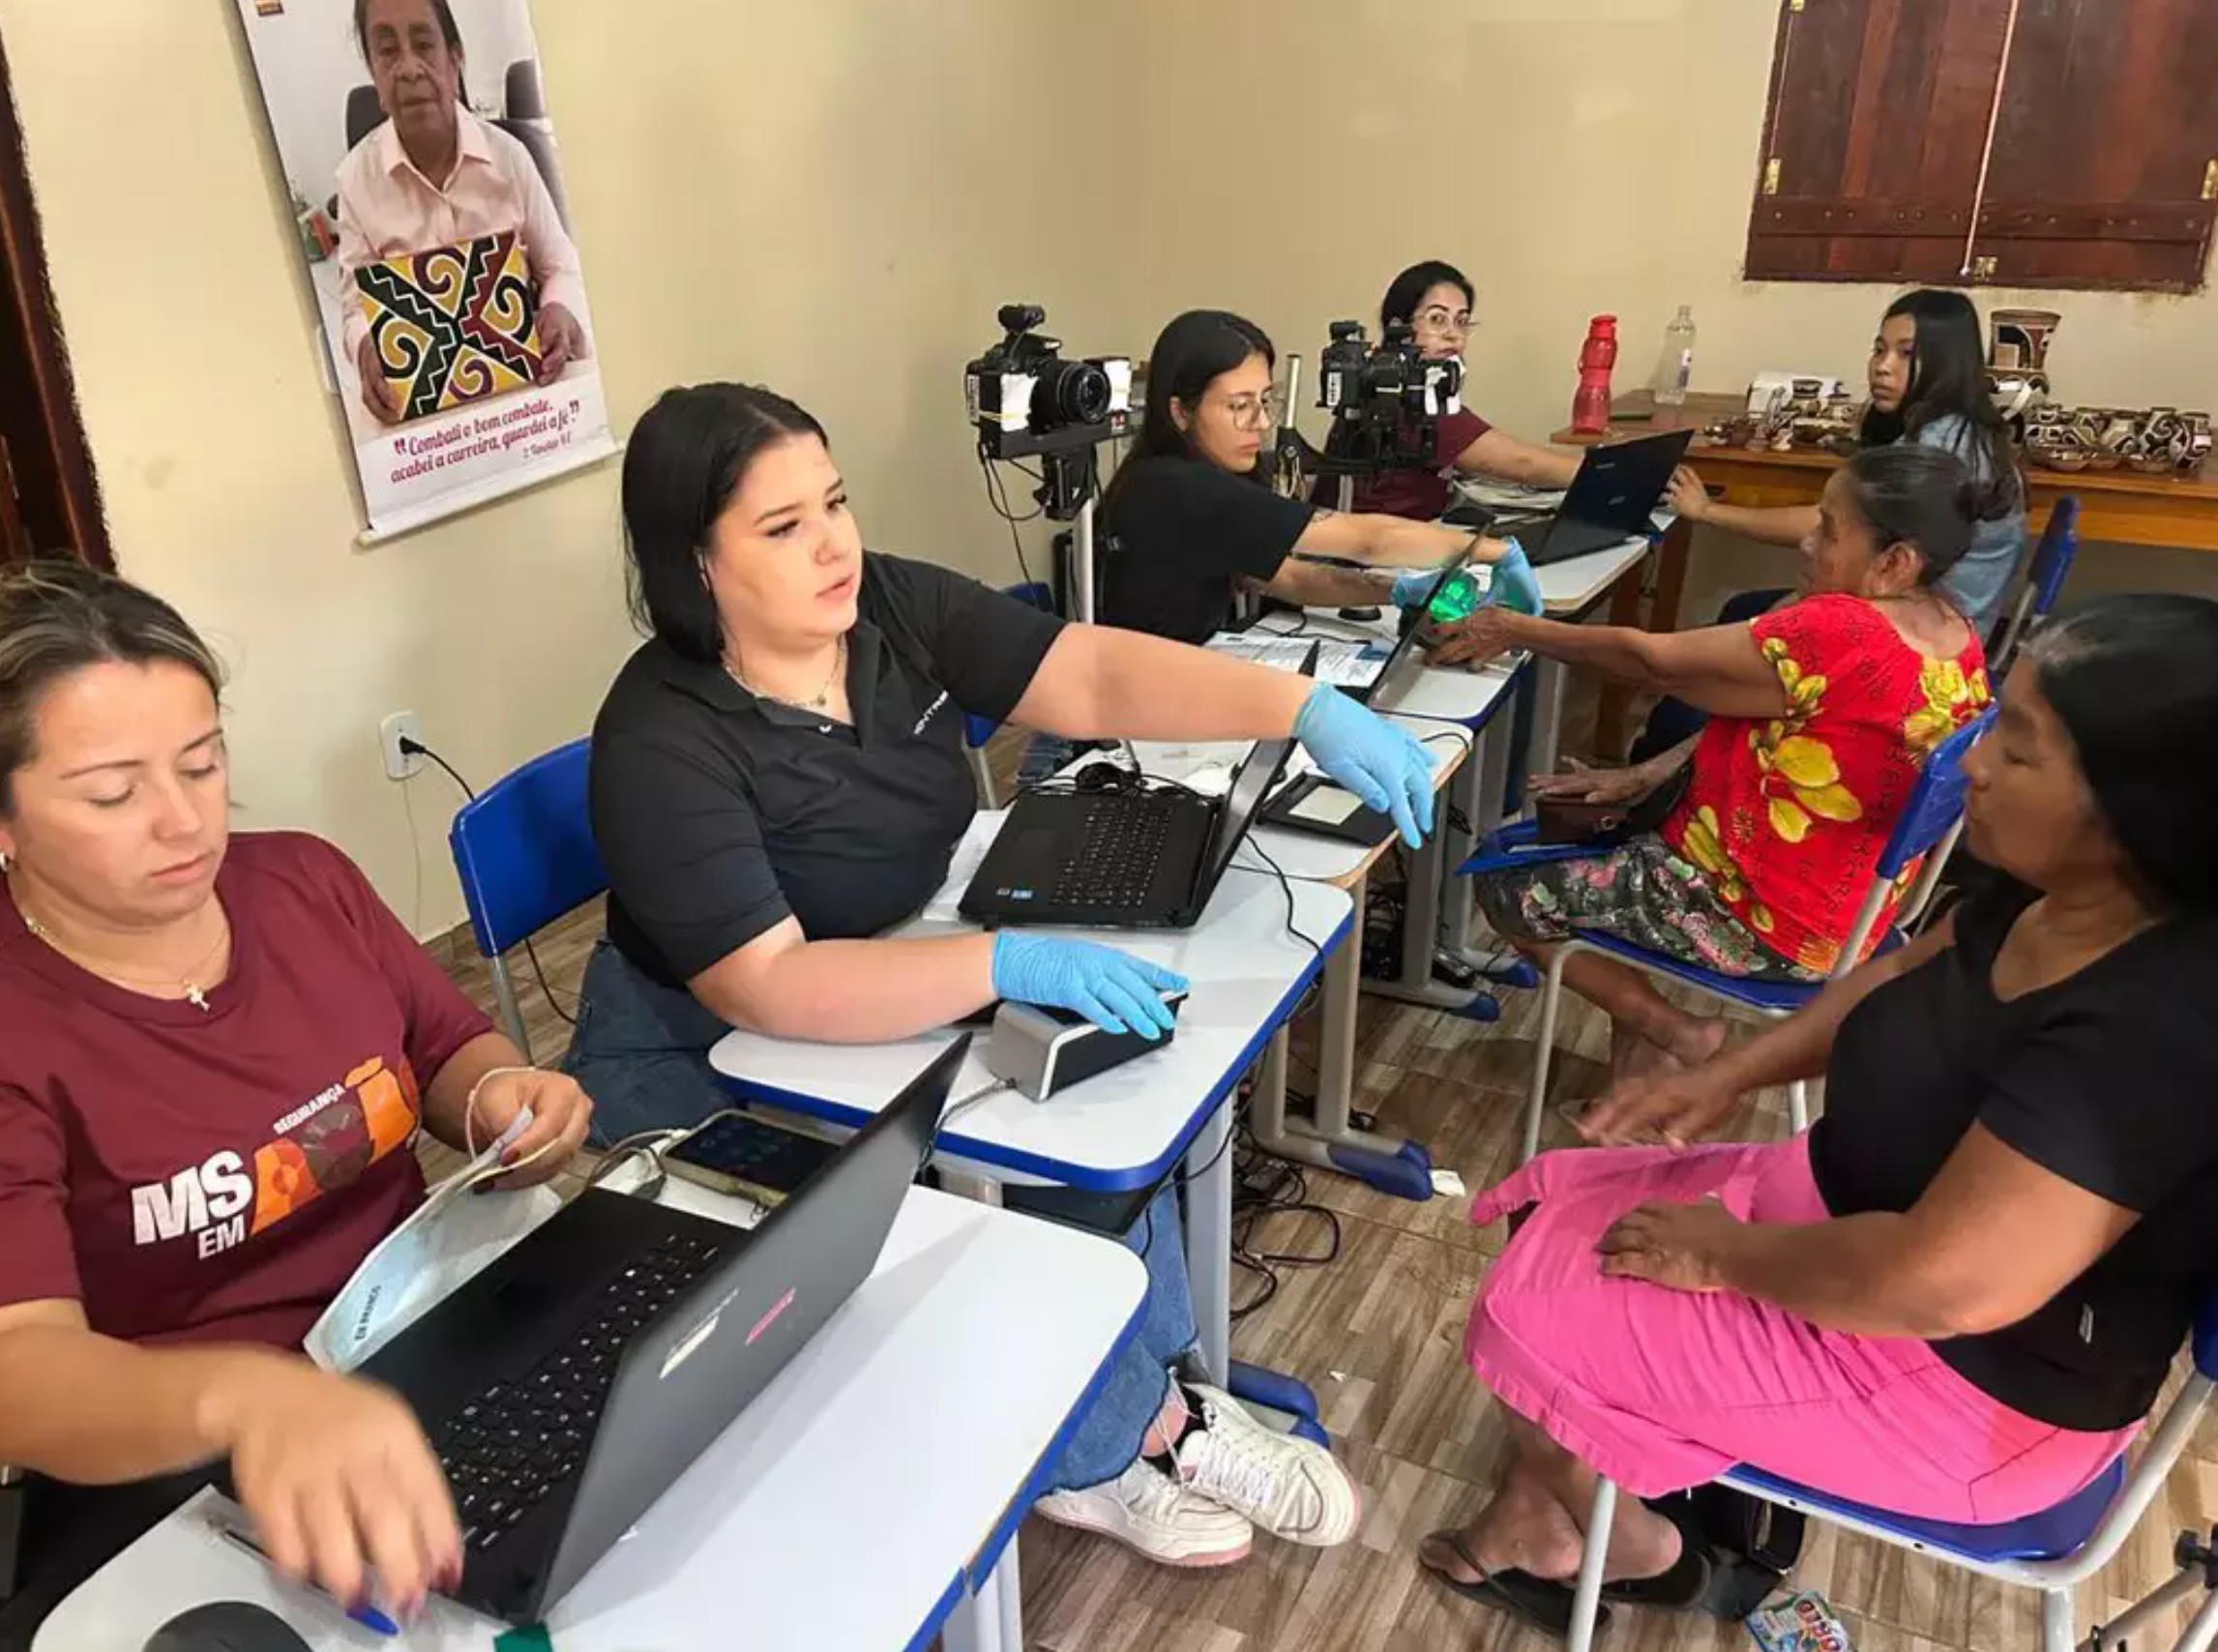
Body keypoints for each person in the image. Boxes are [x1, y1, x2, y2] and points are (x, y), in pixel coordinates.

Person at [564, 381, 1448, 1570]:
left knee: (1107, 1104)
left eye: (834, 502)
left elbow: (1086, 677)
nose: (833, 544)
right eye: (781, 526)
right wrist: (997, 960)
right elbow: (763, 985)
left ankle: (1151, 1387)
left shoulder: (885, 607)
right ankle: (1123, 1442)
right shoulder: (661, 737)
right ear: (696, 562)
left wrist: (1300, 706)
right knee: (974, 1210)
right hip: (705, 1057)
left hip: (882, 959)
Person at [1416, 594, 2218, 1638]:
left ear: (2140, 814)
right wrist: (1729, 1074)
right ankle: (1554, 1512)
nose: (1972, 766)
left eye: (2016, 750)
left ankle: (1628, 1544)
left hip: (1962, 1386)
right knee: (1549, 1210)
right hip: (1853, 1237)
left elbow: (1944, 1283)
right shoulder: (2050, 892)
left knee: (1525, 1312)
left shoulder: (2156, 1022)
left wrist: (1722, 1257)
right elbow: (1897, 975)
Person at [0, 564, 594, 1644]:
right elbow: (22, 1369)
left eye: (202, 763)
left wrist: (502, 1098)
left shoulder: (302, 883)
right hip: (182, 1464)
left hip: (422, 1338)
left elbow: (444, 1047)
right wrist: (249, 1398)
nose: (183, 821)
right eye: (113, 794)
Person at [1427, 445, 1991, 1079]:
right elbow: (1783, 718)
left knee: (1506, 883)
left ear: (1895, 562)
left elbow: (1653, 663)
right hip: (1854, 913)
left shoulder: (1842, 632)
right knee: (1604, 843)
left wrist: (1515, 628)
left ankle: (1674, 1031)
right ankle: (1637, 1061)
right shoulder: (1955, 633)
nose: (1807, 543)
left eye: (1829, 530)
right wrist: (1642, 776)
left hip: (1761, 918)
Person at [1097, 309, 1541, 645]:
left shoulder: (1199, 477)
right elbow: (1368, 540)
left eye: (1265, 400)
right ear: (1181, 412)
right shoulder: (1175, 487)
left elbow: (1288, 578)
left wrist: (1400, 590)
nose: (1261, 422)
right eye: (1238, 405)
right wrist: (1495, 551)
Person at [1667, 288, 2027, 639]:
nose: (1882, 367)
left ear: (1947, 364)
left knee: (1741, 632)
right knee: (1742, 613)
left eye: (1906, 354)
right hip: (1927, 618)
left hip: (1929, 641)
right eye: (1879, 350)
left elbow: (1825, 527)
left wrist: (1706, 510)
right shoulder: (1958, 428)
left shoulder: (1942, 446)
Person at [336, 0, 589, 426]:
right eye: (388, 51)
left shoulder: (510, 157)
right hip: (426, 422)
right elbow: (353, 310)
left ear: (455, 59)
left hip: (529, 402)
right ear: (374, 74)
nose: (409, 69)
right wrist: (365, 346)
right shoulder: (354, 181)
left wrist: (558, 309)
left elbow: (561, 266)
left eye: (423, 45)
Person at [1318, 260, 1581, 521]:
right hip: (1374, 542)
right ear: (1399, 326)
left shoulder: (1409, 384)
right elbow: (1523, 464)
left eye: (1462, 321)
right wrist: (1598, 474)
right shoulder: (1402, 396)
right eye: (1437, 319)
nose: (1453, 334)